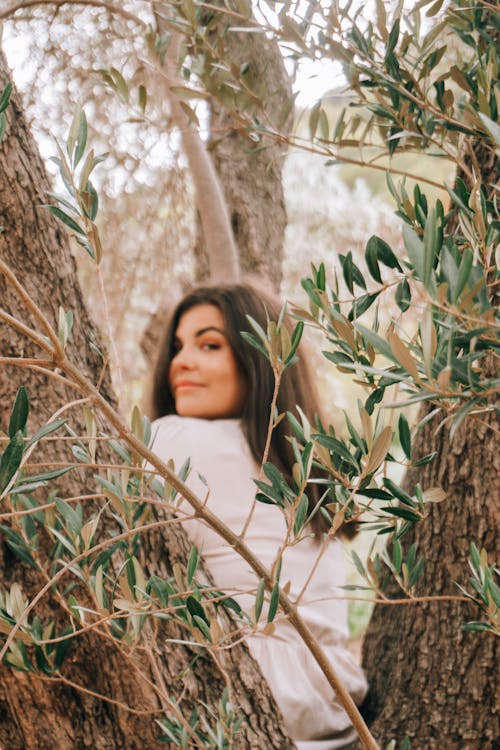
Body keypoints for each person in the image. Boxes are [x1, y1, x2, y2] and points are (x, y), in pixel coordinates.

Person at [148, 282, 367, 749]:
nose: (181, 362)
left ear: (262, 360)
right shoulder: (311, 468)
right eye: (179, 347)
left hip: (245, 693)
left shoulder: (172, 442)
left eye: (210, 345)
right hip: (331, 700)